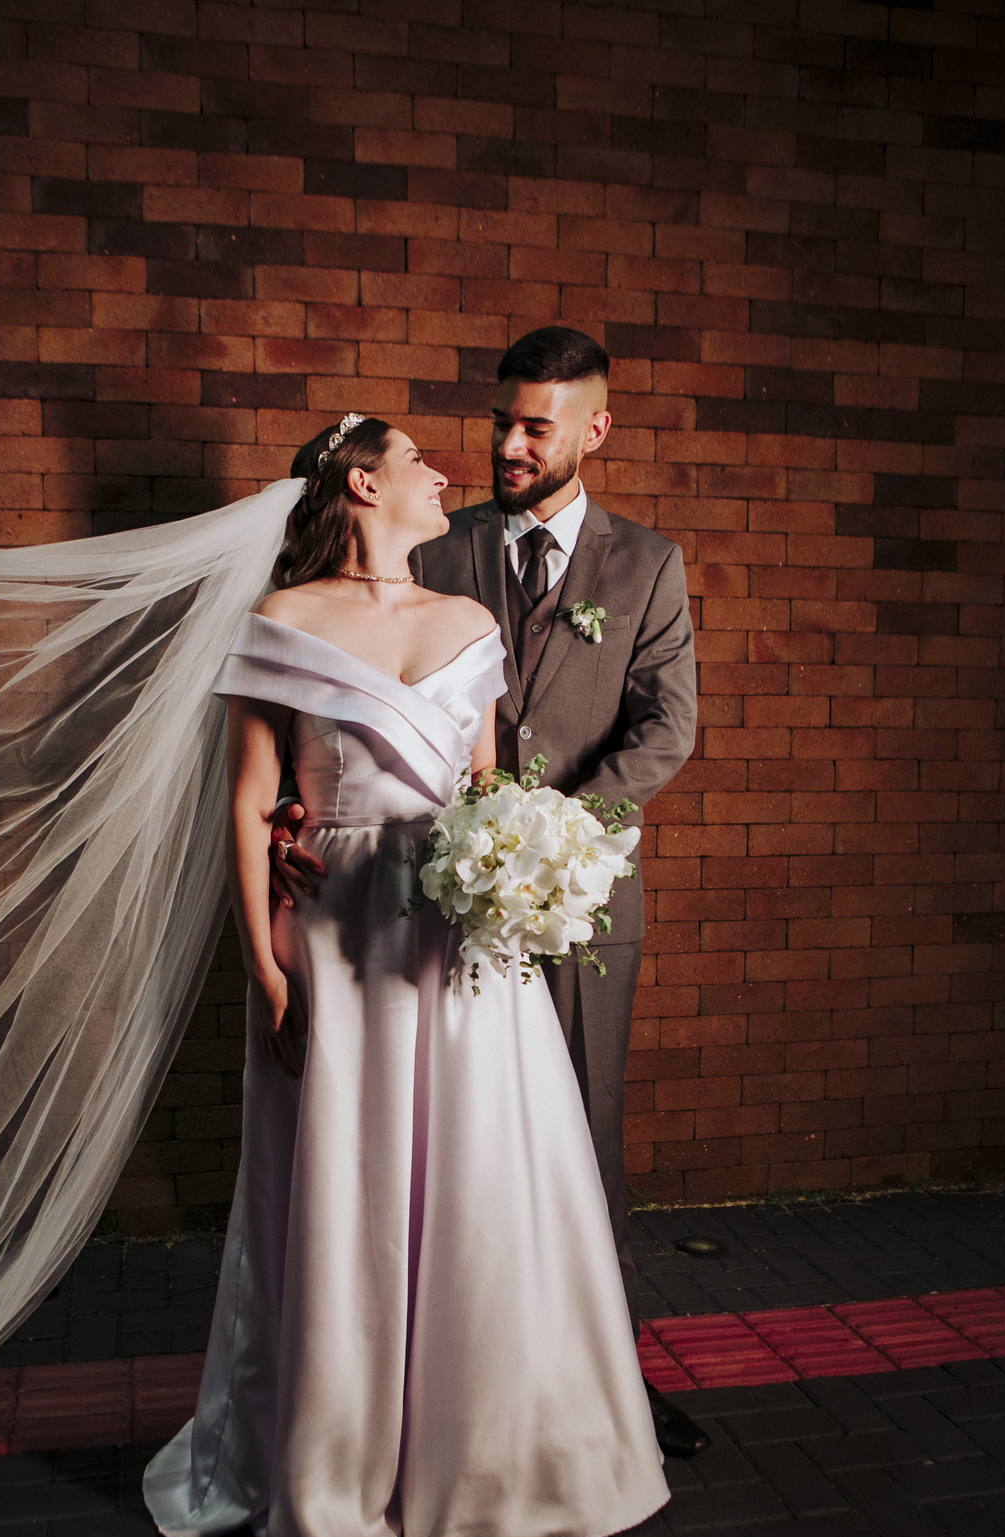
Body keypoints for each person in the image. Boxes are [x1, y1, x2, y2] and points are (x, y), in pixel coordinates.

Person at [141, 414, 670, 1537]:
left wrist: (522, 869)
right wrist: (266, 973)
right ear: (363, 480)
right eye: (416, 458)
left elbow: (481, 788)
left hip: (456, 929)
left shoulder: (469, 622)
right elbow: (250, 805)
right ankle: (337, 1454)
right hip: (332, 932)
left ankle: (483, 1449)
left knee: (481, 1173)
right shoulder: (281, 618)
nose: (442, 472)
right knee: (350, 1180)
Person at [273, 331, 709, 1460]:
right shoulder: (438, 540)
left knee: (580, 1142)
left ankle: (607, 1381)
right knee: (455, 1146)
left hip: (575, 897)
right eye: (502, 422)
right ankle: (449, 1387)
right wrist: (295, 806)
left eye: (535, 429)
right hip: (423, 900)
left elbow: (668, 728)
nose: (508, 446)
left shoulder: (646, 563)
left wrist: (546, 838)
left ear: (594, 430)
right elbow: (339, 685)